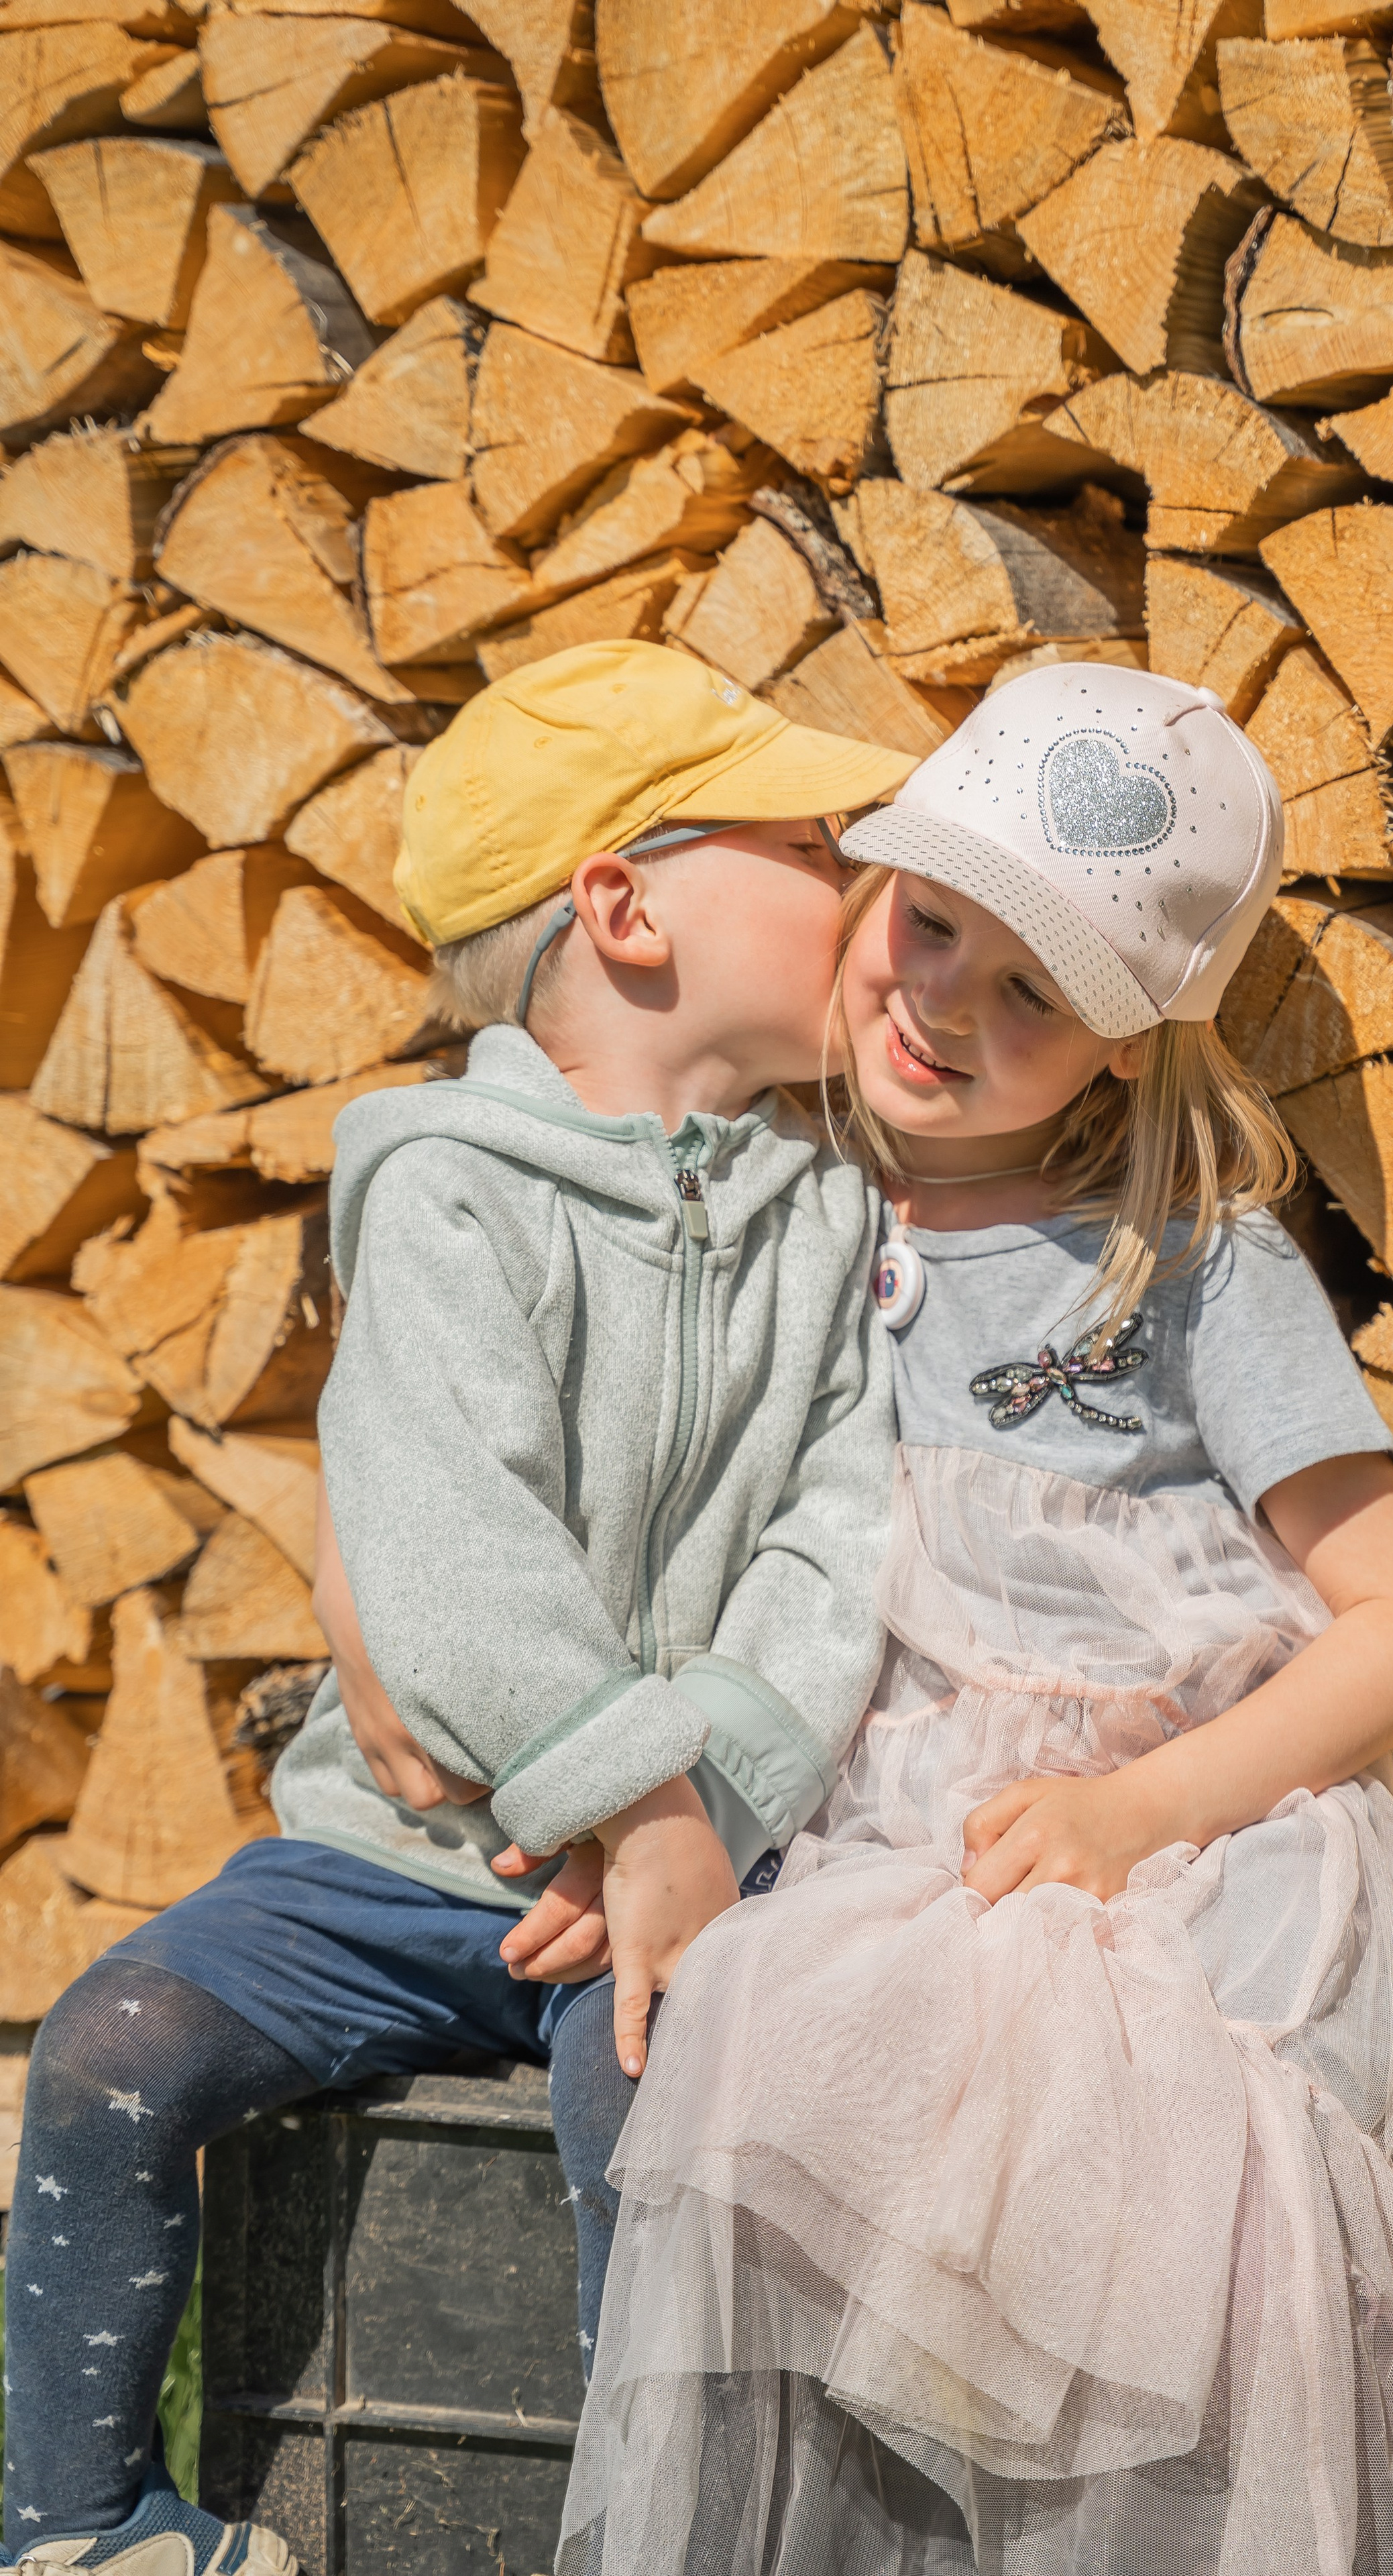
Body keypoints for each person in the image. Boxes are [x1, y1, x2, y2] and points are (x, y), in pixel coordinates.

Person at [552, 665, 1393, 2576]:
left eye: (1038, 994)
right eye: (931, 927)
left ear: (1133, 1046)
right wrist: (649, 1804)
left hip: (1162, 1857)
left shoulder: (1185, 1260)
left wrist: (1137, 1815)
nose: (945, 1005)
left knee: (1115, 2218)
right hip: (870, 1829)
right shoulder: (776, 1216)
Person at [0, 641, 915, 2574]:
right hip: (397, 1855)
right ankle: (79, 2529)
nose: (864, 884)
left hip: (698, 1874)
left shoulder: (831, 1221)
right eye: (814, 842)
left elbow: (838, 1542)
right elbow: (445, 1534)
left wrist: (706, 1812)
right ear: (624, 905)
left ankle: (637, 2545)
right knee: (108, 2045)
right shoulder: (442, 1196)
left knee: (659, 2132)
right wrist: (628, 1797)